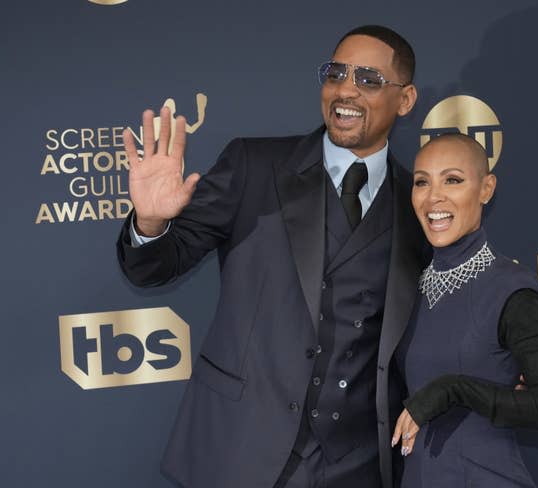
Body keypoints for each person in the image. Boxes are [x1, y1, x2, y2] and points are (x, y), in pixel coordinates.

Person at [116, 25, 424, 488]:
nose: (345, 90)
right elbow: (154, 266)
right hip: (244, 449)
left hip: (360, 463)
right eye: (336, 73)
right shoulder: (254, 166)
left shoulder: (419, 204)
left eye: (368, 79)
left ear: (405, 100)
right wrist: (151, 224)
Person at [392, 134, 538, 487]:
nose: (434, 197)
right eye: (422, 182)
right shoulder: (406, 287)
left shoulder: (512, 289)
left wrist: (453, 389)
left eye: (453, 180)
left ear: (486, 188)